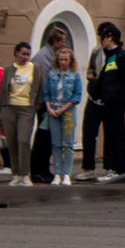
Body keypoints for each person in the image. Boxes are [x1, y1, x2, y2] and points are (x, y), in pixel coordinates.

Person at [95, 22, 125, 181]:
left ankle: (118, 168)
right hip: (107, 103)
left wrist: (120, 100)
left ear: (110, 38)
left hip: (116, 104)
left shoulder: (121, 57)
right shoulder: (109, 57)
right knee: (110, 135)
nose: (101, 41)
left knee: (117, 135)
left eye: (102, 38)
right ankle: (110, 168)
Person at [0, 41, 39, 187]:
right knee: (12, 141)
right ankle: (16, 173)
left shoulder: (34, 68)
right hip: (9, 108)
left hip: (27, 108)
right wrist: (0, 111)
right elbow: (3, 89)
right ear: (16, 53)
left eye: (28, 54)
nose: (26, 57)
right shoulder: (9, 69)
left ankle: (25, 173)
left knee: (23, 140)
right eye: (23, 54)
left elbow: (39, 88)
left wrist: (35, 106)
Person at [29, 27, 65, 183]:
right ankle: (38, 170)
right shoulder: (43, 57)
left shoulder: (49, 55)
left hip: (48, 102)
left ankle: (43, 169)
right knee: (43, 137)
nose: (64, 44)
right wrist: (49, 104)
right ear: (55, 41)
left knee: (48, 137)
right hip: (45, 103)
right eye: (62, 41)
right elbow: (44, 83)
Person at [43, 47, 83, 185]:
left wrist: (62, 109)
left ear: (70, 60)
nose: (63, 62)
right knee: (55, 144)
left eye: (66, 60)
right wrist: (49, 108)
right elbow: (46, 93)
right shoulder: (52, 75)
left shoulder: (75, 76)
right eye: (61, 60)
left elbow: (76, 97)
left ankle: (67, 174)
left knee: (67, 143)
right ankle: (57, 174)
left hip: (67, 111)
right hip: (53, 109)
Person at [77, 30, 108, 180]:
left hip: (108, 100)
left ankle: (109, 167)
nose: (101, 40)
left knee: (109, 134)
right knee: (88, 133)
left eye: (103, 37)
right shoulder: (96, 52)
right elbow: (90, 68)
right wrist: (91, 76)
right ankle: (88, 167)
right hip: (94, 97)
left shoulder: (116, 55)